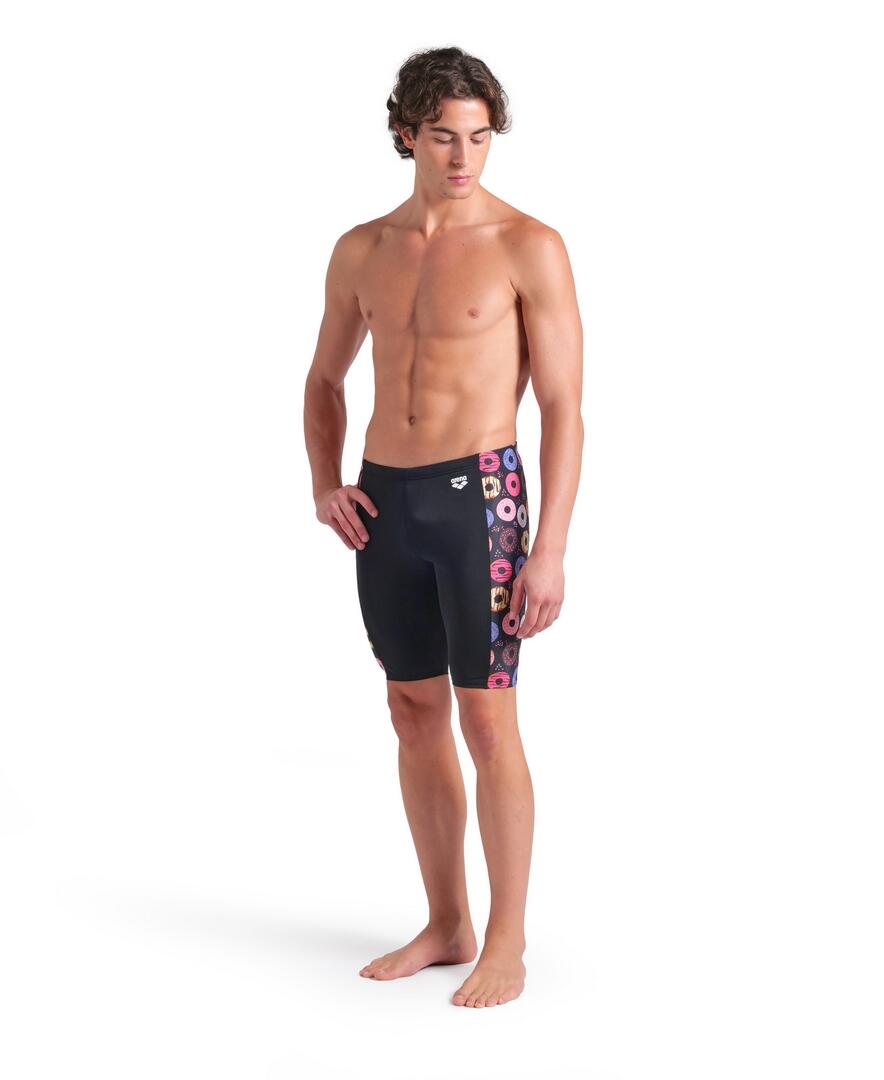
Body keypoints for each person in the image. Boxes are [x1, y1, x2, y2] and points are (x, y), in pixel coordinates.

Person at [303, 46, 583, 1008]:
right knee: (411, 711)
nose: (464, 157)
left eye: (479, 137)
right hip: (387, 503)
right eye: (442, 137)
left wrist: (549, 548)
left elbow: (564, 406)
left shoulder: (527, 244)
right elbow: (324, 379)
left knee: (488, 720)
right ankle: (447, 921)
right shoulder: (362, 249)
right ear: (405, 135)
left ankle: (506, 939)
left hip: (483, 505)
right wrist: (325, 484)